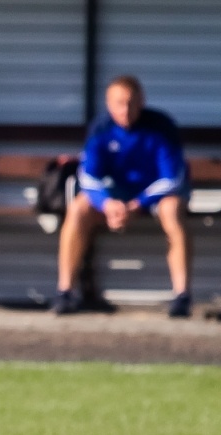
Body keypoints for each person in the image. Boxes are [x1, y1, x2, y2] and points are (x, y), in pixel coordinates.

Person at [55, 76, 191, 318]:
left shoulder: (161, 127)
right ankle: (65, 291)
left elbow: (172, 179)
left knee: (171, 211)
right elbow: (88, 178)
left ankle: (182, 296)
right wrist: (107, 204)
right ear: (108, 104)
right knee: (78, 208)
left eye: (131, 103)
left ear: (142, 102)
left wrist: (137, 205)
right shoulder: (101, 129)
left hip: (156, 194)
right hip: (117, 195)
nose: (125, 110)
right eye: (119, 103)